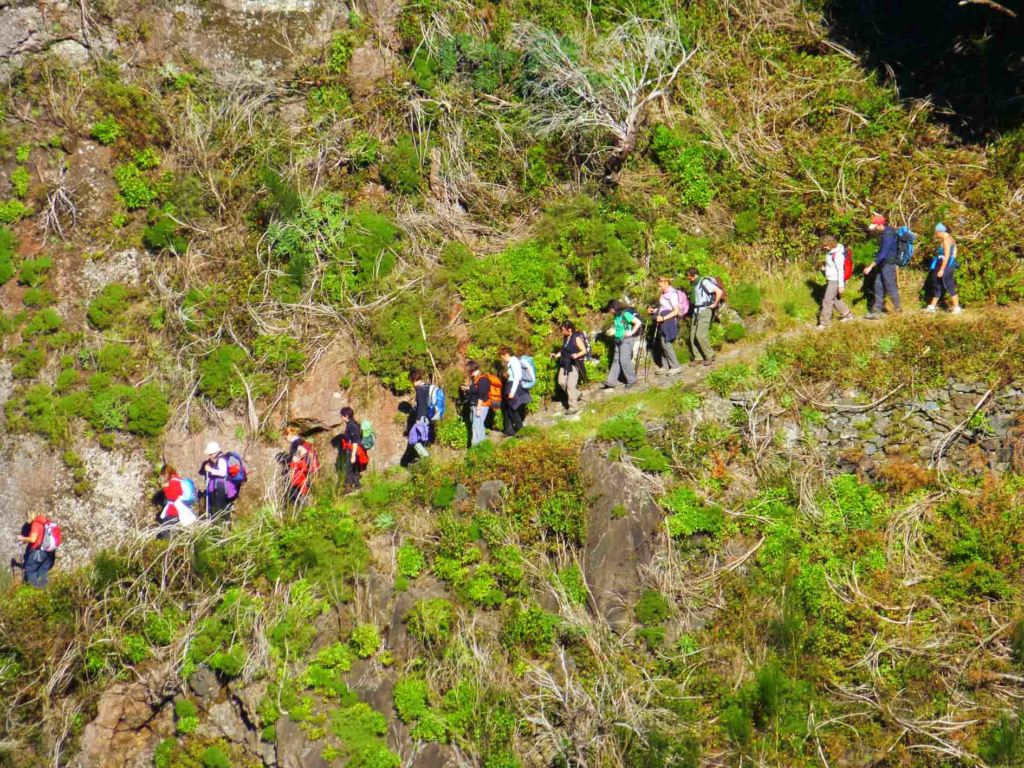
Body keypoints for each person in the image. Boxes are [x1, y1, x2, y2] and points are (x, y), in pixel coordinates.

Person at [863, 214, 901, 319]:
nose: (875, 229)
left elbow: (883, 254)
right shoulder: (884, 233)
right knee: (878, 286)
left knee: (891, 287)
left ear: (880, 225)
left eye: (875, 227)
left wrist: (870, 267)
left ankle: (898, 310)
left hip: (888, 264)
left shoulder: (888, 235)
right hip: (882, 264)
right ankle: (877, 311)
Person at [686, 268, 722, 367]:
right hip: (696, 311)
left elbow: (719, 291)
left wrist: (715, 304)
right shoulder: (694, 284)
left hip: (705, 310)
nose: (688, 278)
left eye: (688, 276)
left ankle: (710, 355)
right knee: (692, 335)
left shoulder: (704, 282)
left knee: (700, 335)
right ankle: (698, 358)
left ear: (693, 275)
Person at [648, 277, 684, 375]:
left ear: (666, 283)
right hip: (663, 320)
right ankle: (665, 366)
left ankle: (676, 366)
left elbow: (675, 311)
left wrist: (663, 318)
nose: (660, 288)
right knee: (662, 343)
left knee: (666, 343)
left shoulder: (672, 294)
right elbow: (664, 307)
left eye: (661, 286)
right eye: (659, 286)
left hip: (668, 321)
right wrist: (654, 311)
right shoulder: (664, 293)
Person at [924, 223, 963, 315]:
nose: (936, 234)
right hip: (948, 265)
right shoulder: (951, 238)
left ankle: (957, 308)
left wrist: (942, 269)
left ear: (940, 232)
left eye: (936, 233)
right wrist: (952, 262)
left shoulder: (946, 240)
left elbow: (947, 256)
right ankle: (931, 307)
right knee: (938, 285)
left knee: (949, 286)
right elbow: (955, 252)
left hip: (945, 266)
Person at [603, 301, 642, 389]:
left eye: (610, 309)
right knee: (616, 361)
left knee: (624, 360)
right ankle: (611, 382)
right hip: (618, 340)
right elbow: (618, 328)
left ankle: (632, 380)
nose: (610, 311)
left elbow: (638, 322)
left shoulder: (625, 314)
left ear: (614, 308)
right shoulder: (616, 316)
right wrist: (613, 331)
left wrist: (631, 332)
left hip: (626, 340)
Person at [818, 237, 855, 329]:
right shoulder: (830, 252)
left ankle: (825, 323)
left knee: (827, 300)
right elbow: (832, 266)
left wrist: (841, 286)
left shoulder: (838, 254)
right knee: (835, 299)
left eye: (825, 245)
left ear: (830, 244)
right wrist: (825, 268)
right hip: (831, 279)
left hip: (835, 281)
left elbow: (840, 270)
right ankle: (848, 315)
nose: (824, 247)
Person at [553, 321, 587, 414]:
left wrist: (576, 355)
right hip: (564, 363)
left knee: (570, 385)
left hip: (574, 364)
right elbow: (563, 351)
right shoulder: (565, 337)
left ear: (570, 329)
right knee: (561, 382)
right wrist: (555, 355)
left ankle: (573, 407)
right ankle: (577, 394)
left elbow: (584, 350)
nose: (562, 332)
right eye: (562, 330)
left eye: (564, 330)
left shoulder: (576, 338)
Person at [499, 347, 532, 436]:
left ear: (506, 354)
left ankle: (520, 430)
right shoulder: (511, 362)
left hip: (513, 386)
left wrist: (512, 392)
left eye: (502, 356)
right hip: (511, 385)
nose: (502, 358)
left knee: (512, 408)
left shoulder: (514, 361)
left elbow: (517, 377)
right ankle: (509, 430)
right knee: (507, 408)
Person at [17, 512, 54, 588]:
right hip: (46, 552)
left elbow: (33, 539)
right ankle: (43, 590)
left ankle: (34, 589)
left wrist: (22, 538)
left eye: (27, 516)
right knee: (42, 571)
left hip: (37, 551)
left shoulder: (35, 524)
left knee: (30, 571)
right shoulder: (44, 523)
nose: (26, 518)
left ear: (31, 515)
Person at [157, 465, 196, 534]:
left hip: (174, 509)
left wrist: (165, 488)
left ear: (166, 473)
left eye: (163, 475)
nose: (163, 477)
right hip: (178, 508)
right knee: (175, 529)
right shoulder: (178, 479)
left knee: (165, 530)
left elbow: (173, 497)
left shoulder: (173, 482)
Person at [199, 442, 231, 522]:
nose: (209, 456)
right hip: (219, 487)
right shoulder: (218, 459)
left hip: (220, 488)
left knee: (218, 508)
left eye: (210, 454)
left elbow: (223, 473)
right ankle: (223, 523)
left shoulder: (221, 459)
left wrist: (210, 470)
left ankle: (218, 524)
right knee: (221, 508)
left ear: (215, 452)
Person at [338, 407, 368, 490]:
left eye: (342, 415)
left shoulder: (352, 426)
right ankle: (357, 485)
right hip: (351, 450)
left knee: (348, 470)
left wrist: (353, 455)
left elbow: (355, 441)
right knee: (352, 469)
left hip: (354, 451)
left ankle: (348, 488)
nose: (341, 417)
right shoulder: (350, 424)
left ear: (346, 416)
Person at [465, 360, 491, 447]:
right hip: (475, 406)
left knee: (476, 427)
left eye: (469, 371)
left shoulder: (482, 379)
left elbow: (482, 395)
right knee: (479, 426)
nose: (468, 373)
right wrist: (468, 389)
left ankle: (475, 448)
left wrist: (478, 409)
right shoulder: (476, 378)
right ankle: (482, 446)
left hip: (480, 406)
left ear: (473, 370)